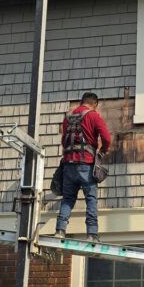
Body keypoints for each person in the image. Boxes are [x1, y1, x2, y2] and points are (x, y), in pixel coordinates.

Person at [55, 92, 112, 242]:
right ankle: (91, 234)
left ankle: (60, 230)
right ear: (95, 104)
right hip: (86, 164)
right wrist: (102, 151)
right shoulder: (94, 116)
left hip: (68, 165)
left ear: (82, 102)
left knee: (68, 199)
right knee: (91, 199)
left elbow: (64, 140)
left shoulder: (68, 117)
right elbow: (106, 138)